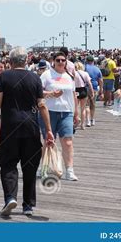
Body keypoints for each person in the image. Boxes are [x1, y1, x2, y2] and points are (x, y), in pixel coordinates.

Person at [0, 47, 54, 216]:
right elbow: (42, 105)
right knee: (30, 167)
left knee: (8, 164)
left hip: (10, 127)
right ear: (26, 61)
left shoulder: (3, 77)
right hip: (31, 127)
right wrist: (48, 130)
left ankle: (10, 197)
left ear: (10, 62)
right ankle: (28, 205)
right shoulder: (35, 78)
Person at [40, 51, 80, 181]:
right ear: (53, 61)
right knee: (48, 141)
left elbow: (73, 95)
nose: (61, 62)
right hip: (49, 112)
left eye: (63, 60)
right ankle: (44, 168)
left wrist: (76, 112)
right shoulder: (47, 75)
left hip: (66, 112)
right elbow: (38, 92)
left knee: (68, 142)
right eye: (58, 60)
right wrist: (51, 93)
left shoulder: (69, 77)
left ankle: (69, 170)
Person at [74, 61, 94, 129]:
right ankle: (82, 125)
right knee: (83, 109)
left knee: (76, 108)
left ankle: (77, 120)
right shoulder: (85, 73)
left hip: (76, 90)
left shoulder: (73, 73)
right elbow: (89, 83)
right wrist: (92, 92)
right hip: (83, 90)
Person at [85, 56, 103, 127]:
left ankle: (88, 121)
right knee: (93, 105)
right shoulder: (97, 69)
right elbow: (101, 80)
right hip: (95, 88)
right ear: (93, 61)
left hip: (86, 87)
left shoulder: (84, 68)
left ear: (86, 60)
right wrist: (101, 90)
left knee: (86, 105)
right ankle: (92, 119)